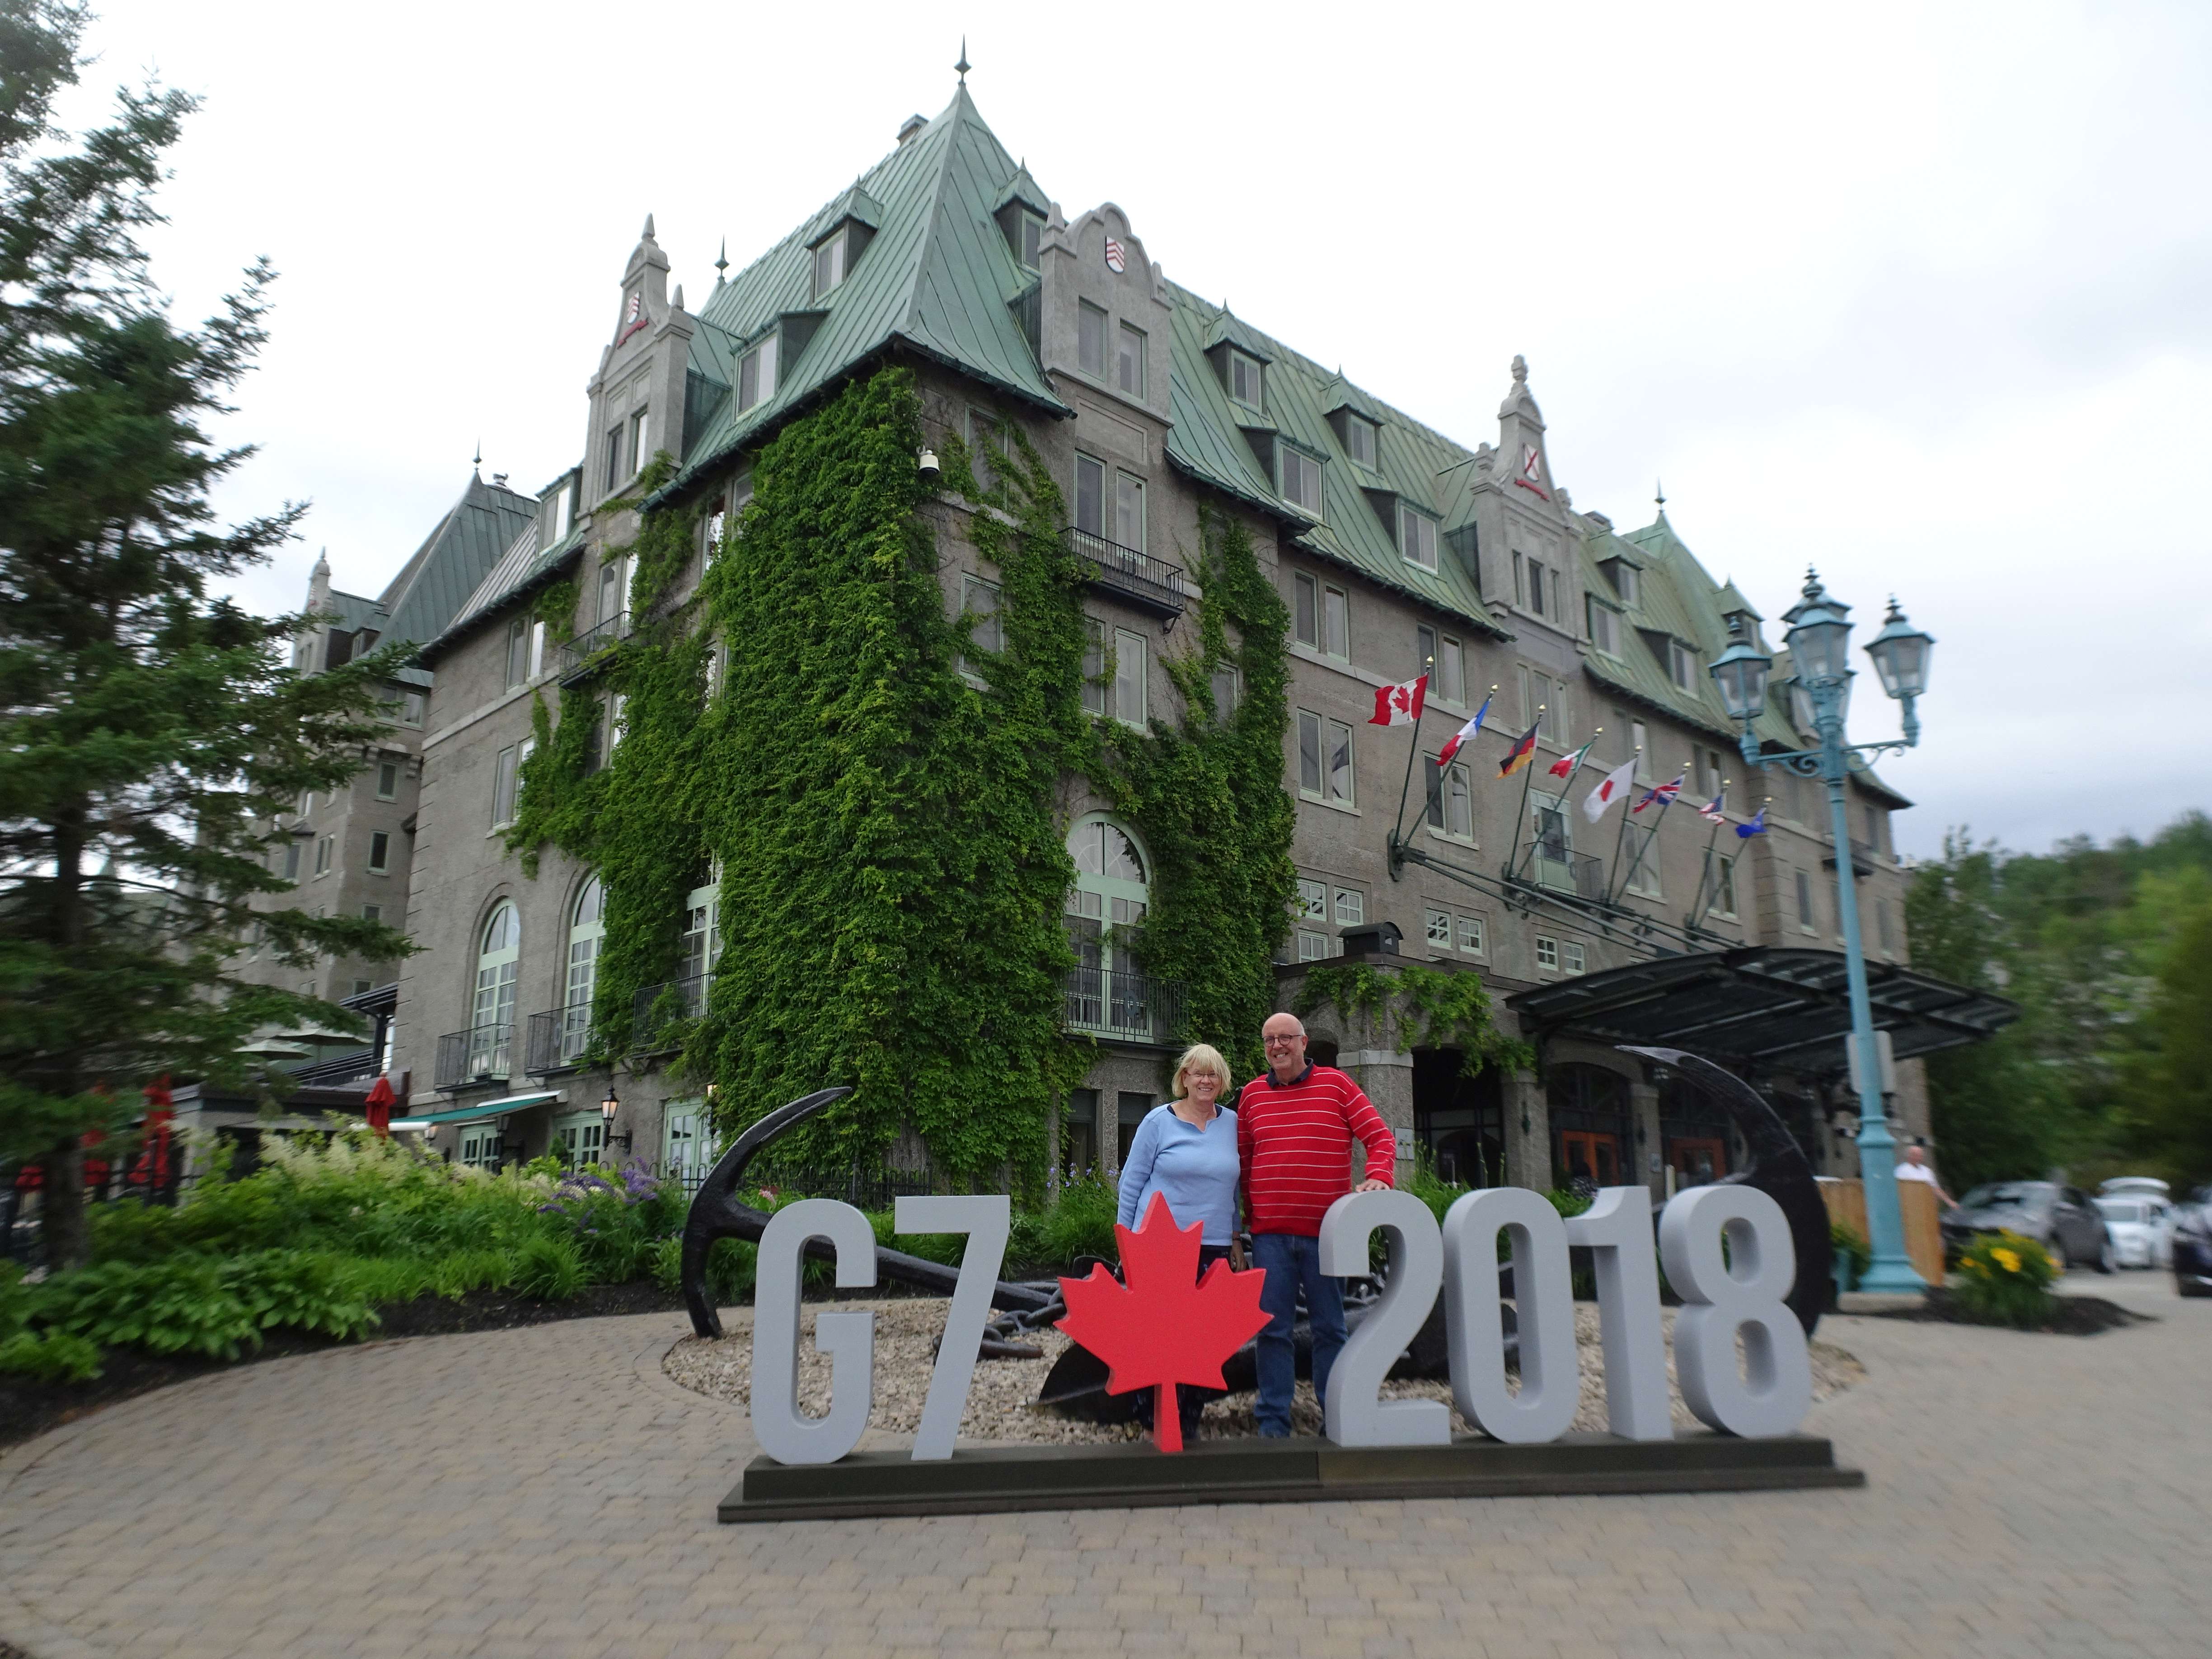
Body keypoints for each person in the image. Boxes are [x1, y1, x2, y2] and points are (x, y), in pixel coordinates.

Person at [1236, 1011, 1396, 1438]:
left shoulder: (1338, 1086)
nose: (1278, 1047)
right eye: (1270, 1040)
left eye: (1286, 1038)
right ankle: (1273, 1422)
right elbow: (1244, 1163)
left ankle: (1337, 1414)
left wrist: (1379, 1174)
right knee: (1272, 1330)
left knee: (1330, 1328)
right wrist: (1246, 1221)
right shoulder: (1251, 1096)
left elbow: (1380, 1137)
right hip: (1270, 1235)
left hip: (1328, 1235)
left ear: (1304, 1043)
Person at [1116, 1042, 1242, 1439]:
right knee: (1157, 1337)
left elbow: (1235, 1189)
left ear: (1222, 1082)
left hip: (1215, 1244)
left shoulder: (1232, 1123)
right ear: (1184, 1078)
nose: (1205, 1080)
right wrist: (1126, 1243)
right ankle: (1153, 1417)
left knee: (1205, 1339)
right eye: (1197, 1073)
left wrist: (1236, 1237)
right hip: (1159, 1246)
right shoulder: (1158, 1122)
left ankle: (1189, 1414)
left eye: (1213, 1074)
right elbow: (1131, 1183)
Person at [1894, 1139, 1957, 1209]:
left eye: (1921, 1156)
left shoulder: (1927, 1171)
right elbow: (1899, 1190)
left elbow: (1936, 1189)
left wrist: (1949, 1202)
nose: (1919, 1158)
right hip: (1911, 1207)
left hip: (1928, 1206)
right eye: (1916, 1156)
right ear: (1909, 1156)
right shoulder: (1901, 1170)